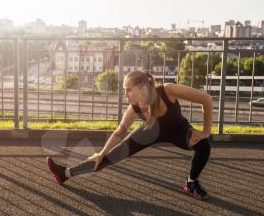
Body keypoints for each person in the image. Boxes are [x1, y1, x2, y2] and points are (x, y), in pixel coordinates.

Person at [46, 70, 213, 201]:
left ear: (142, 88)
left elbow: (206, 99)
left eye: (128, 90)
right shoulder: (134, 107)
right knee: (108, 157)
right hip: (150, 133)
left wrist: (206, 131)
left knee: (203, 145)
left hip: (179, 130)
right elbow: (120, 131)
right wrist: (101, 153)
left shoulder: (168, 90)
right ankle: (65, 173)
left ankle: (191, 183)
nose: (125, 95)